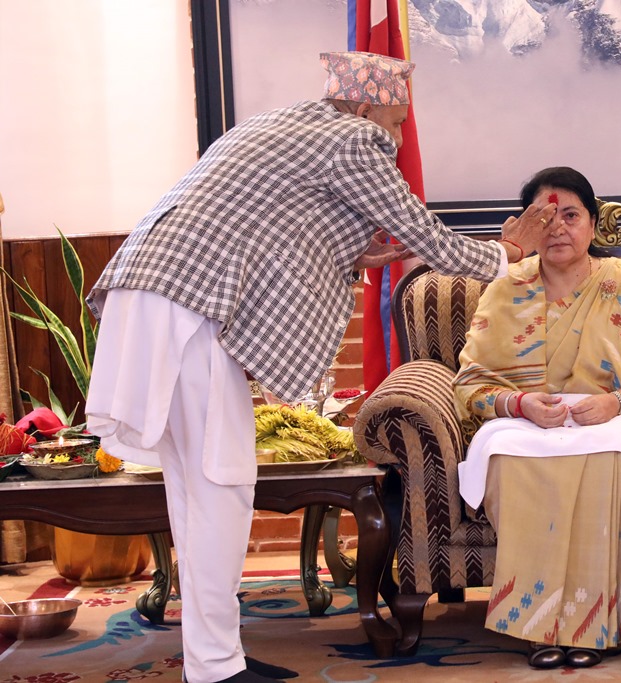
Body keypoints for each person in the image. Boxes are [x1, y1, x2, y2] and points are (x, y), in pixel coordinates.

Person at [84, 52, 555, 683]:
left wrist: (368, 251)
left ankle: (212, 660)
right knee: (220, 484)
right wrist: (508, 254)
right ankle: (215, 666)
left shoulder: (279, 124)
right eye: (396, 121)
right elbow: (424, 232)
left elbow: (285, 229)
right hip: (185, 308)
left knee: (196, 490)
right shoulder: (353, 137)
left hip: (153, 298)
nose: (397, 138)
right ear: (363, 108)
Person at [453, 167, 621, 669]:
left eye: (572, 216)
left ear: (593, 224)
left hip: (610, 417)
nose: (558, 228)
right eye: (545, 217)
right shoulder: (503, 288)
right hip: (524, 421)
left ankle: (599, 624)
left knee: (616, 456)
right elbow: (469, 386)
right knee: (511, 458)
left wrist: (616, 402)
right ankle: (538, 624)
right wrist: (521, 405)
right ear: (526, 226)